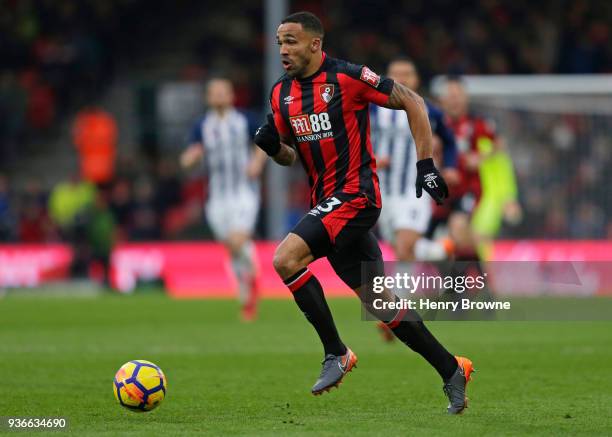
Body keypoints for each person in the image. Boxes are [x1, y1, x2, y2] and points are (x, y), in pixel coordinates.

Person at [254, 12, 473, 414]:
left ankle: (335, 352)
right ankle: (452, 369)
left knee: (285, 258)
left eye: (291, 41)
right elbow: (288, 158)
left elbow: (413, 101)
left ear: (315, 44)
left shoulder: (347, 78)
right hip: (326, 202)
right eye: (279, 42)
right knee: (381, 302)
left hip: (356, 195)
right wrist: (272, 147)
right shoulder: (280, 94)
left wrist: (426, 165)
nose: (283, 50)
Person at [181, 78, 267, 321]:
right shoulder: (201, 126)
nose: (219, 96)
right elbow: (187, 158)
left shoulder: (245, 120)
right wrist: (192, 158)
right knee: (232, 247)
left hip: (244, 193)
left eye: (223, 92)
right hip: (217, 197)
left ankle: (251, 282)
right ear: (208, 97)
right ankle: (247, 288)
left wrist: (256, 162)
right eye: (214, 93)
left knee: (238, 241)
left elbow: (264, 143)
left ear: (231, 95)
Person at [372, 57, 458, 262]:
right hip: (382, 190)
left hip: (414, 190)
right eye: (397, 74)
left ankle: (400, 294)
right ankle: (440, 251)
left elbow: (450, 141)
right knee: (403, 250)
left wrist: (451, 166)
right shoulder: (372, 108)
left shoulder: (431, 112)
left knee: (404, 246)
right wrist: (371, 159)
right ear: (387, 78)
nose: (402, 79)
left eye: (407, 74)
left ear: (416, 79)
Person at [438, 77, 521, 262]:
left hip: (468, 192)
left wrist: (480, 158)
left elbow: (500, 148)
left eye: (458, 95)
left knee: (459, 231)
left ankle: (460, 285)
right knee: (446, 244)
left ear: (465, 98)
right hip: (438, 194)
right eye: (450, 95)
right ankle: (477, 280)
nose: (454, 100)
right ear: (442, 99)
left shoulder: (478, 125)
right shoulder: (435, 124)